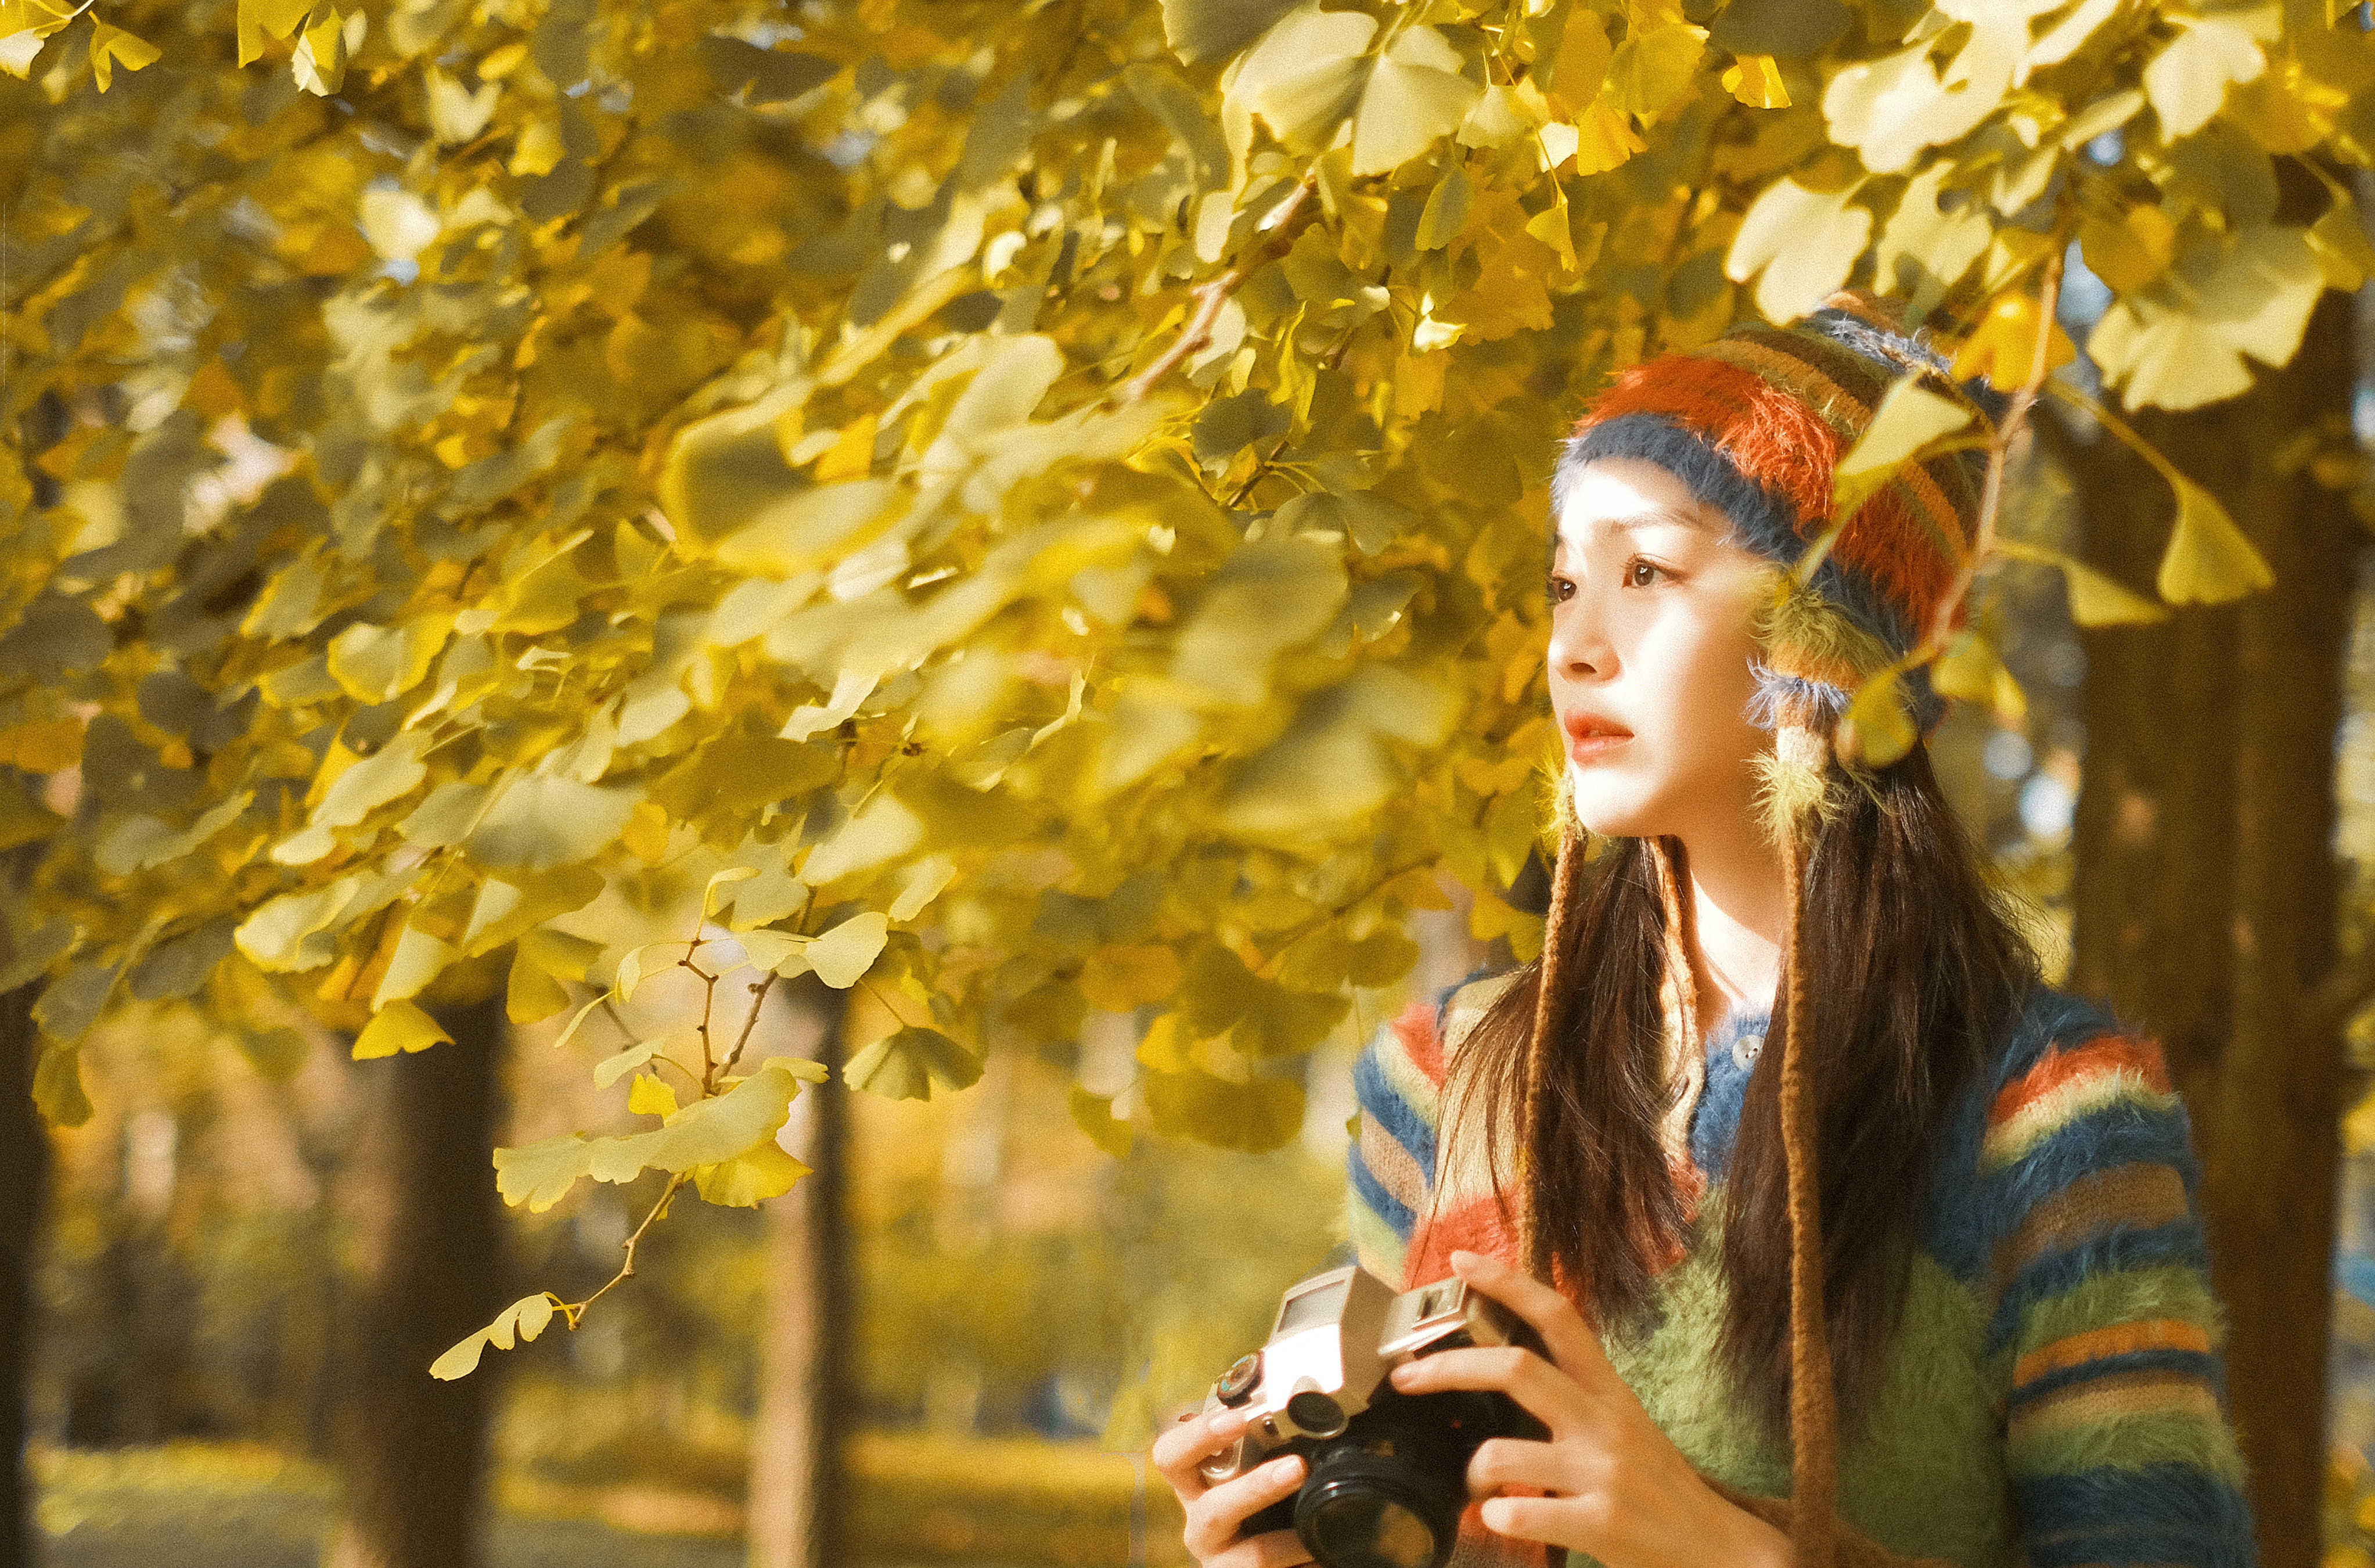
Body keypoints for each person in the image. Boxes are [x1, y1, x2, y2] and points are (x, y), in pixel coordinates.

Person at [1150, 291, 2257, 1568]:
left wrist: (1721, 1548)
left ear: (1828, 643)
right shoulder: (1446, 1080)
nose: (1574, 643)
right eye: (1565, 581)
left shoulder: (2045, 1114)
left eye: (1645, 574)